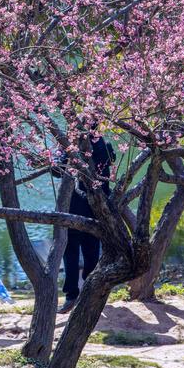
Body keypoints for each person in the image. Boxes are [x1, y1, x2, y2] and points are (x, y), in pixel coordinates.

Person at [59, 133, 116, 314]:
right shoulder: (104, 147)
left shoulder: (73, 148)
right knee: (88, 252)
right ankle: (82, 291)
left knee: (75, 252)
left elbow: (56, 170)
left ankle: (73, 294)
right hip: (91, 211)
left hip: (80, 209)